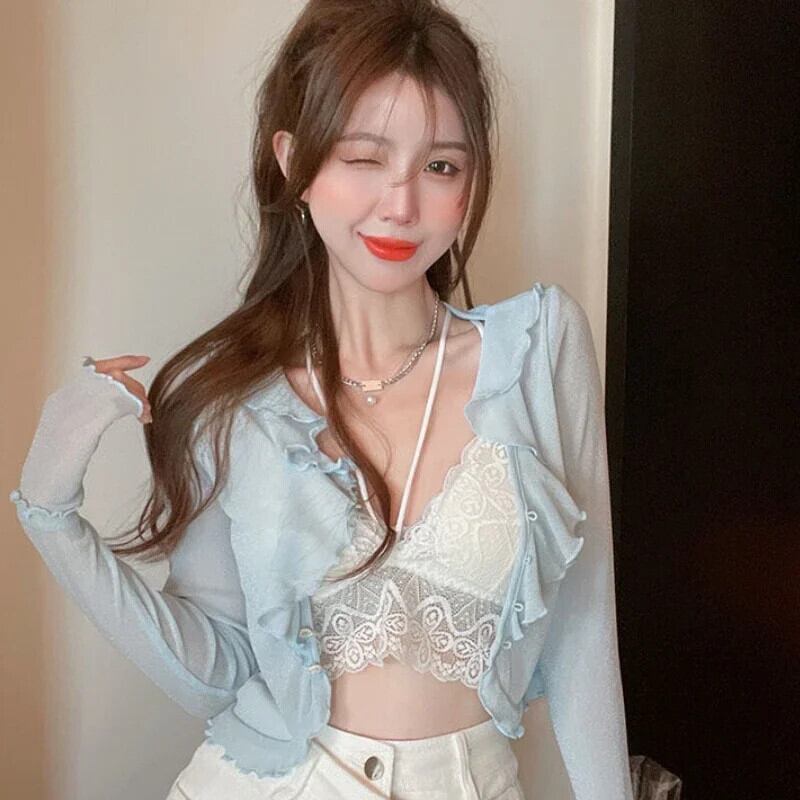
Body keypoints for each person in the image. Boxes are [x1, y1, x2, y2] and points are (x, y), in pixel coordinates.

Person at [8, 1, 634, 798]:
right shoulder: (234, 401)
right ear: (294, 163)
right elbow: (217, 668)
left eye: (441, 167)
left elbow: (584, 626)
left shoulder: (540, 350)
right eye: (364, 158)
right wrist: (51, 515)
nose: (400, 205)